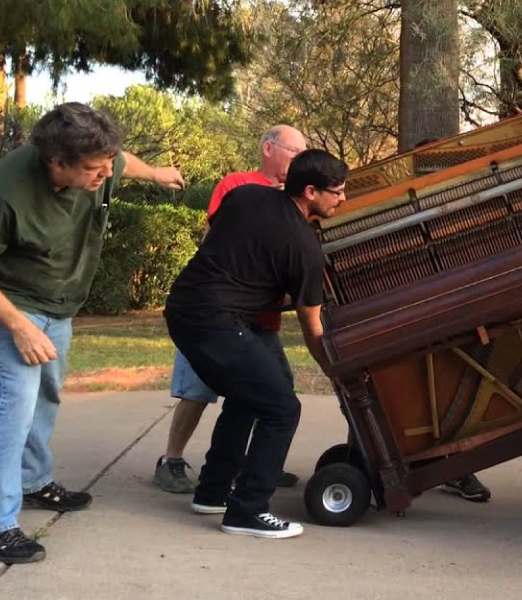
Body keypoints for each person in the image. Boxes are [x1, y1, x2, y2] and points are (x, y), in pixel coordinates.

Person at [0, 102, 185, 564]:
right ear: (55, 162)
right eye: (93, 170)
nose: (105, 175)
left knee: (47, 396)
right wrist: (19, 326)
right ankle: (2, 524)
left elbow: (124, 162)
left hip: (61, 305)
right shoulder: (8, 192)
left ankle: (33, 480)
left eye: (108, 164)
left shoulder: (96, 158)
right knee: (12, 412)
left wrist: (159, 172)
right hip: (15, 307)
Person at [164, 149, 346, 539]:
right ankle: (248, 511)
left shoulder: (245, 195)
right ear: (311, 192)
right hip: (216, 322)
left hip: (184, 307)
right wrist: (331, 368)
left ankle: (213, 492)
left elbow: (218, 236)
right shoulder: (304, 247)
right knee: (282, 408)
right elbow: (312, 325)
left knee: (251, 398)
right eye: (337, 192)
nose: (342, 199)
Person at [153, 125, 308, 494]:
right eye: (294, 151)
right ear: (268, 148)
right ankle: (172, 460)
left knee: (275, 389)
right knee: (197, 390)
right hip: (215, 314)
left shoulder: (299, 198)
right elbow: (216, 239)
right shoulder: (237, 184)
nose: (299, 160)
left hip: (261, 319)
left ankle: (256, 462)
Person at [413, 136, 492, 503]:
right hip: (417, 311)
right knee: (400, 390)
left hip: (462, 309)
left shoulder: (468, 206)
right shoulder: (406, 206)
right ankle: (371, 459)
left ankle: (457, 468)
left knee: (457, 392)